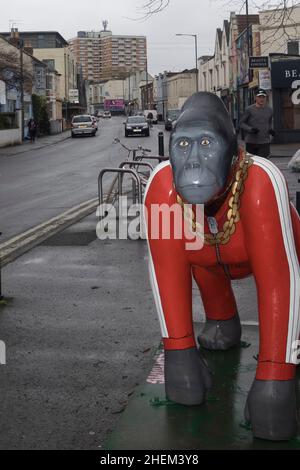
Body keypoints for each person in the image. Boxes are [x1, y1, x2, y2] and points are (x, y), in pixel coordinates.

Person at [239, 89, 274, 158]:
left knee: (264, 162)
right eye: (259, 97)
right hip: (251, 141)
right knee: (252, 163)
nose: (261, 99)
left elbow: (269, 122)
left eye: (263, 97)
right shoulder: (249, 109)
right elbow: (241, 123)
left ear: (266, 98)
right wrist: (250, 129)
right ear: (255, 98)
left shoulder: (269, 110)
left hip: (264, 142)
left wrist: (270, 130)